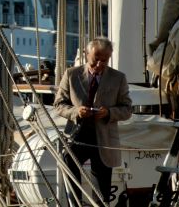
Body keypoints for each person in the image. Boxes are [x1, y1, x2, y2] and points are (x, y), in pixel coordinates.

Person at [53, 37, 132, 205]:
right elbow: (59, 104)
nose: (100, 64)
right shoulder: (71, 74)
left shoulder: (118, 78)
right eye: (96, 59)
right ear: (86, 54)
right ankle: (75, 203)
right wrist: (76, 111)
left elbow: (127, 109)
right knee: (68, 163)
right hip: (77, 134)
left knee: (102, 186)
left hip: (103, 138)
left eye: (105, 60)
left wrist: (109, 113)